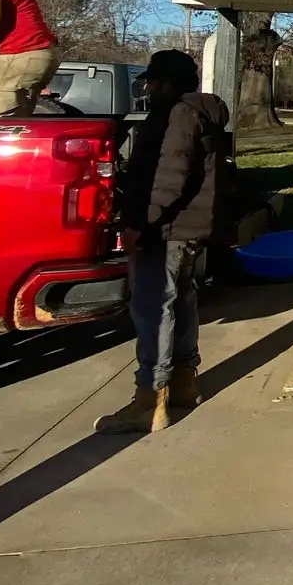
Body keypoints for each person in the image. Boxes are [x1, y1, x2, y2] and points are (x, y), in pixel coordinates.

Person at [95, 49, 230, 437]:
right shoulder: (196, 111)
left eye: (153, 81)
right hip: (187, 228)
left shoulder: (177, 114)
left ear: (169, 83)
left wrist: (141, 222)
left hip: (167, 229)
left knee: (155, 307)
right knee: (181, 301)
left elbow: (169, 175)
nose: (148, 86)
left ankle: (149, 401)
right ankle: (184, 383)